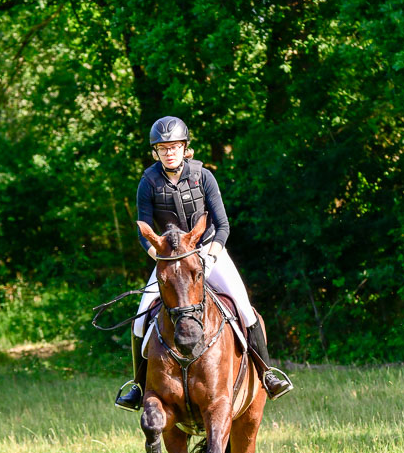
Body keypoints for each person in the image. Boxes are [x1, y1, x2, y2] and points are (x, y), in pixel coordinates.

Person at [115, 116, 293, 411]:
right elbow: (143, 232)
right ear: (155, 152)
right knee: (140, 318)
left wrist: (210, 255)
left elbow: (223, 225)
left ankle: (267, 373)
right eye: (163, 148)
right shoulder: (148, 182)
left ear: (185, 148)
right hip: (171, 260)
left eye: (174, 146)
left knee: (243, 307)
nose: (169, 152)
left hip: (209, 252)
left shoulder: (203, 176)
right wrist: (160, 257)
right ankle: (138, 386)